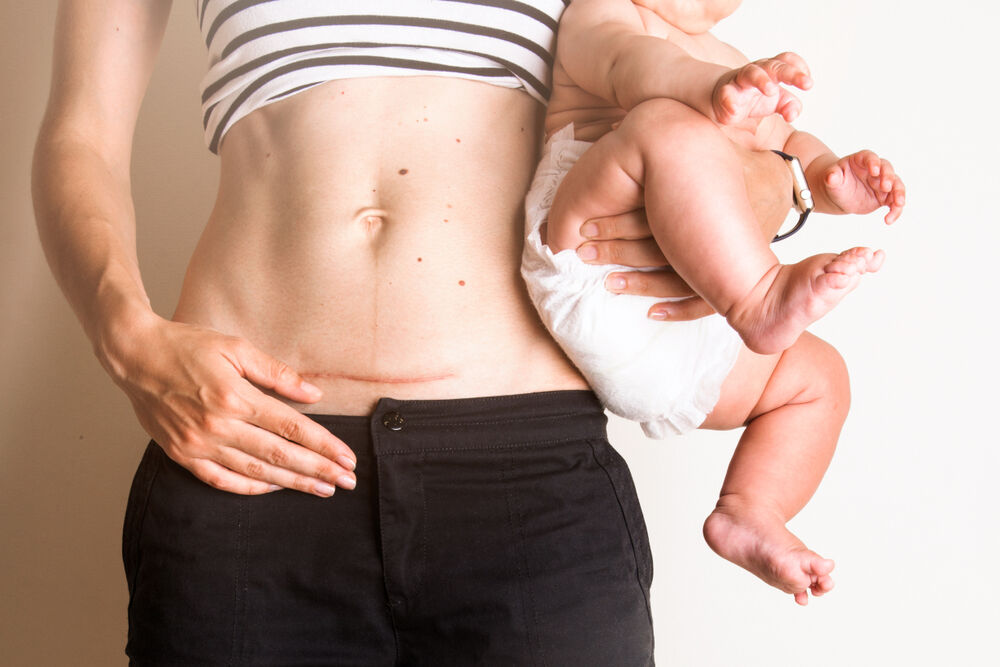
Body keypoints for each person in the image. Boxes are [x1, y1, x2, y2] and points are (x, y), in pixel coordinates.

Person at [32, 0, 794, 663]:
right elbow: (80, 134)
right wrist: (128, 338)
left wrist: (771, 192)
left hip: (525, 480)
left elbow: (738, 116)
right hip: (247, 462)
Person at [522, 0, 906, 606]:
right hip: (593, 255)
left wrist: (829, 175)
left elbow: (785, 147)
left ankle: (750, 509)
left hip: (692, 318)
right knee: (663, 123)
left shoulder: (734, 61)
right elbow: (632, 65)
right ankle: (760, 295)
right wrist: (717, 88)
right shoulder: (602, 12)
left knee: (820, 379)